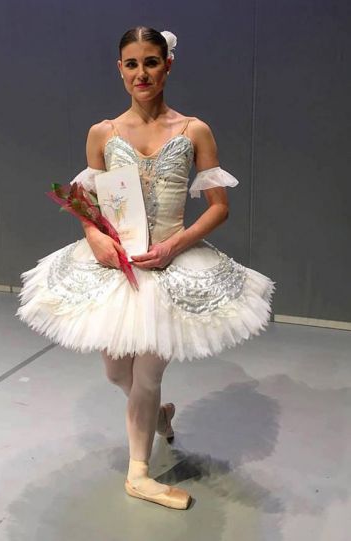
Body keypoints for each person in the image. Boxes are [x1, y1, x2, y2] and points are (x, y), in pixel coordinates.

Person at [16, 26, 275, 510]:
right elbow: (87, 203)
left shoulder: (194, 130)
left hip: (170, 268)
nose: (142, 73)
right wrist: (94, 236)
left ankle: (138, 473)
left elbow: (219, 207)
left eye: (151, 62)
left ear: (167, 65)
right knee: (118, 373)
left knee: (148, 375)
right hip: (118, 267)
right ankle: (158, 418)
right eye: (132, 64)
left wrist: (176, 244)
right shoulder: (103, 133)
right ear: (120, 69)